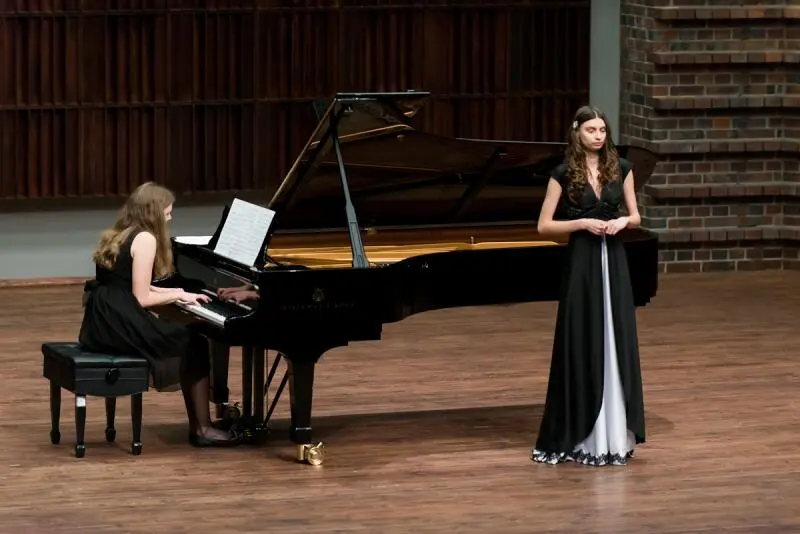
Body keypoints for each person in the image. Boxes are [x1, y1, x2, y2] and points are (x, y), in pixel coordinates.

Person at [78, 182, 242, 447]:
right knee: (195, 343)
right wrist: (176, 296)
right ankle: (202, 429)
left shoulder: (121, 233)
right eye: (167, 212)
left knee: (190, 336)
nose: (170, 217)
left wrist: (178, 292)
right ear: (153, 211)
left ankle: (203, 424)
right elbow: (142, 298)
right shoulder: (145, 239)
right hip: (120, 324)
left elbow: (130, 285)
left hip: (103, 321)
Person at [531, 105, 646, 466]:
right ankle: (582, 434)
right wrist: (582, 224)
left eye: (602, 130)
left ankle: (614, 434)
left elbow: (636, 215)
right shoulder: (563, 173)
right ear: (577, 132)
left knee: (615, 333)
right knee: (583, 334)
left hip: (613, 258)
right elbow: (544, 226)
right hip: (582, 261)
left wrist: (622, 222)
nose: (598, 136)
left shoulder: (622, 168)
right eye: (591, 130)